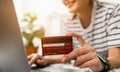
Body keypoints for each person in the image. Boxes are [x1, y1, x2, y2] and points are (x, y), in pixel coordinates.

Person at [28, 0, 120, 72]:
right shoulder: (68, 21)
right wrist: (45, 59)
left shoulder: (112, 11)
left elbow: (117, 58)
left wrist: (102, 64)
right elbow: (68, 55)